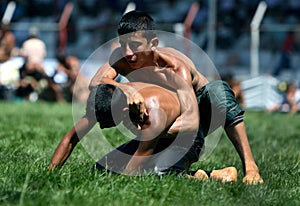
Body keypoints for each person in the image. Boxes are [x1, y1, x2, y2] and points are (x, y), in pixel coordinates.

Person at [50, 11, 263, 184]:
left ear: (153, 43)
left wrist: (158, 131)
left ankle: (250, 167)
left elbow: (191, 121)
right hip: (155, 116)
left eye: (134, 45)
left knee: (219, 92)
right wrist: (127, 91)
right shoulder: (121, 57)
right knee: (102, 170)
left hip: (196, 116)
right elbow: (96, 83)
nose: (128, 52)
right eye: (123, 44)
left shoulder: (174, 68)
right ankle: (211, 175)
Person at [49, 82, 238, 183]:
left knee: (155, 175)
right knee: (101, 169)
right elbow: (71, 138)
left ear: (122, 112)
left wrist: (117, 188)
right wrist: (50, 173)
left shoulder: (152, 114)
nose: (102, 128)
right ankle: (194, 175)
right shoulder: (107, 99)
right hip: (155, 139)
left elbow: (135, 169)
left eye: (105, 123)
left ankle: (215, 175)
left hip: (186, 140)